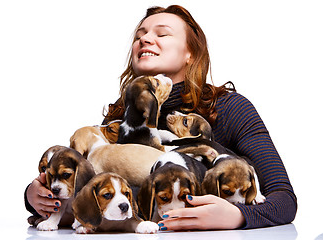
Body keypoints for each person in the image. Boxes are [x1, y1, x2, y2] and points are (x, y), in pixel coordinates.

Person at [25, 5, 297, 230]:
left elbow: (284, 199)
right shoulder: (120, 117)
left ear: (191, 53)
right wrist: (34, 197)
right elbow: (88, 188)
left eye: (162, 34)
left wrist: (238, 217)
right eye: (139, 35)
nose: (144, 39)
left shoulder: (229, 108)